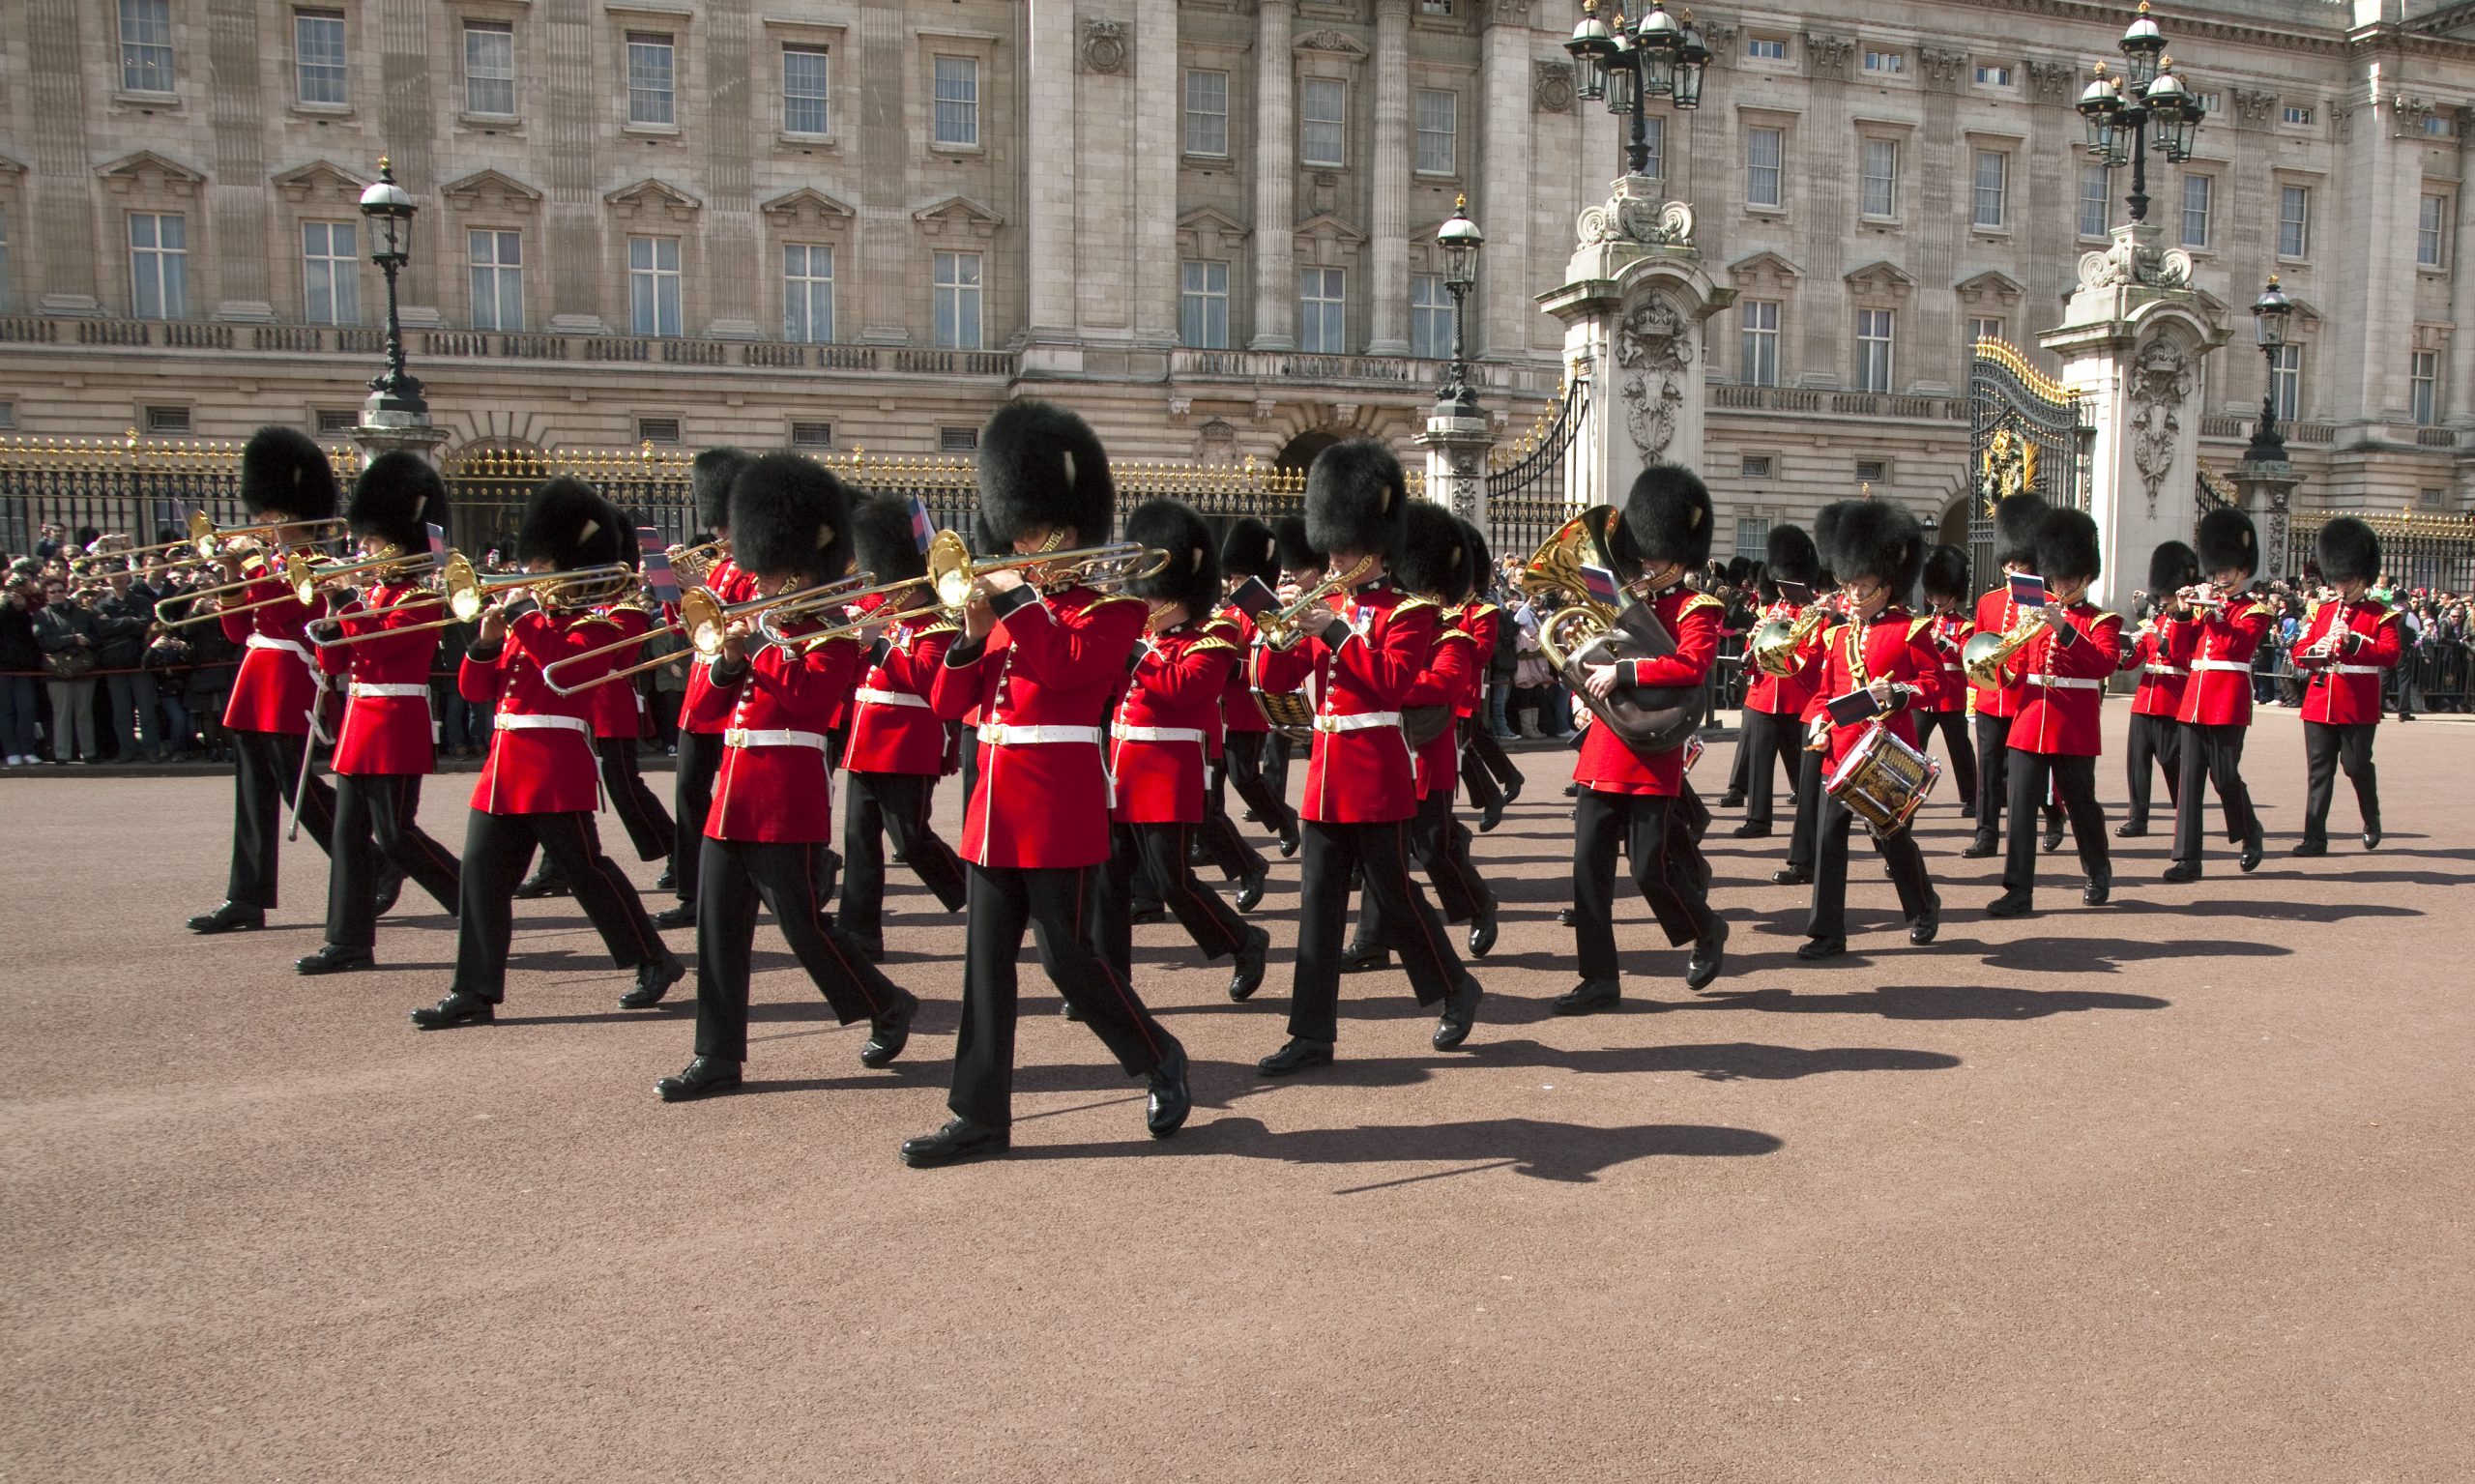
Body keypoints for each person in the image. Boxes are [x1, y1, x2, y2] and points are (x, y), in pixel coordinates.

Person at [902, 401, 1191, 1167]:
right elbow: (947, 703)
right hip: (991, 809)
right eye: (1017, 533)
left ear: (1064, 534)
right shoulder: (1004, 613)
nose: (1018, 546)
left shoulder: (1115, 608)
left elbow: (1066, 667)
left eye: (1029, 535)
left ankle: (1158, 1055)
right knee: (986, 966)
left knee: (1067, 957)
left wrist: (1012, 600)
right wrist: (968, 636)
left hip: (1055, 804)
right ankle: (978, 1115)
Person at [656, 453, 922, 1100]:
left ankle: (886, 1003)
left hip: (787, 797)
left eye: (769, 568)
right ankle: (716, 1056)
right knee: (718, 931)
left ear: (800, 570)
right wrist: (726, 659)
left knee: (805, 929)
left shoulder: (833, 632)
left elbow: (807, 701)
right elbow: (709, 709)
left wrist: (763, 642)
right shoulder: (754, 625)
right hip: (734, 797)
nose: (758, 577)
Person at [409, 479, 685, 1029]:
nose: (530, 576)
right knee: (482, 881)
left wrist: (522, 620)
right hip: (504, 765)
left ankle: (654, 958)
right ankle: (475, 989)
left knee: (586, 871)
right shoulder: (529, 619)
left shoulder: (613, 619)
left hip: (555, 761)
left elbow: (569, 675)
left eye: (540, 566)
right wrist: (486, 643)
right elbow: (474, 692)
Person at [1255, 439, 1485, 1078]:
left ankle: (1454, 985)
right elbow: (1277, 675)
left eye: (1345, 547)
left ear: (1377, 548)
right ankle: (1311, 1033)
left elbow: (1389, 682)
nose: (1333, 557)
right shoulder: (1331, 610)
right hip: (1325, 779)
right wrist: (1274, 625)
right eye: (1330, 545)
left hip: (1376, 774)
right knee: (1317, 909)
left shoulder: (1409, 613)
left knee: (1395, 897)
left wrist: (1331, 628)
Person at [1087, 497, 1273, 1002]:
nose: (1146, 603)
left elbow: (1181, 690)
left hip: (1170, 773)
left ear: (1180, 590)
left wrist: (1135, 650)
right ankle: (1110, 980)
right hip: (1122, 773)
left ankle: (1244, 940)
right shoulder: (1146, 635)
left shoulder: (1213, 637)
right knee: (1110, 879)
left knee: (1173, 882)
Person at [1558, 466, 1730, 1013]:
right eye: (1645, 555)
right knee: (1589, 869)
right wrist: (1580, 690)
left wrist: (1626, 675)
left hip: (1652, 749)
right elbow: (1591, 658)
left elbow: (1691, 665)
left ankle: (1705, 929)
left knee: (1648, 867)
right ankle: (1598, 978)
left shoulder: (1698, 609)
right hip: (1604, 745)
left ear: (1681, 558)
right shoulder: (1619, 602)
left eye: (1655, 558)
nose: (1646, 565)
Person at [295, 451, 464, 975]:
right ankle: (348, 941)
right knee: (349, 834)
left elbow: (384, 646)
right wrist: (325, 627)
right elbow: (344, 659)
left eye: (368, 541)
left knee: (396, 834)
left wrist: (344, 605)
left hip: (395, 720)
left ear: (395, 541)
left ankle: (473, 901)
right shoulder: (374, 593)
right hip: (358, 720)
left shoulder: (420, 599)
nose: (360, 550)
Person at [186, 426, 339, 934]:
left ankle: (372, 856)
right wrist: (231, 576)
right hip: (255, 682)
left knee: (301, 789)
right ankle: (246, 896)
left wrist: (253, 565)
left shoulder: (316, 566)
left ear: (292, 518)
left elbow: (285, 620)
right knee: (252, 793)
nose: (260, 525)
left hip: (289, 680)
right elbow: (237, 629)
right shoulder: (260, 562)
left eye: (269, 517)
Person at [1342, 503, 1500, 971]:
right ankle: (1371, 938)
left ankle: (1478, 903)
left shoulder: (1451, 635)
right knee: (1384, 849)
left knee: (1432, 844)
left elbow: (1445, 684)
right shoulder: (1386, 623)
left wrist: (1386, 684)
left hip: (1428, 753)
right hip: (1383, 753)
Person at [1799, 500, 1940, 960]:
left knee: (1890, 835)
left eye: (1863, 585)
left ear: (1886, 585)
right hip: (1840, 749)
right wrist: (1819, 717)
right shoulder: (1838, 635)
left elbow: (1934, 684)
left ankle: (1922, 905)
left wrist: (1898, 693)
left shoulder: (1909, 630)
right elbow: (1825, 689)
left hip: (1885, 749)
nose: (1854, 593)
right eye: (1851, 584)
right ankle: (1827, 932)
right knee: (1828, 839)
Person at [834, 494, 970, 958]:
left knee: (910, 839)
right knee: (859, 840)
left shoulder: (934, 627)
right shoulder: (885, 617)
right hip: (865, 742)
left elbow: (927, 683)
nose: (884, 593)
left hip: (906, 745)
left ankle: (969, 891)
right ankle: (859, 931)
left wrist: (880, 647)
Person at [1987, 508, 2120, 917]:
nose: (2061, 585)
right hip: (2029, 720)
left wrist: (2064, 627)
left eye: (2069, 578)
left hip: (2073, 725)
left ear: (2085, 577)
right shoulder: (2036, 618)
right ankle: (2018, 890)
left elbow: (2102, 664)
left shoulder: (2102, 620)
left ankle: (2097, 872)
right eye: (2057, 576)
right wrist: (2001, 666)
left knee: (2081, 804)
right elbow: (2019, 670)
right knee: (2022, 808)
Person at [655, 448, 755, 930]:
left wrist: (701, 588)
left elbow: (749, 626)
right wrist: (675, 589)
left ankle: (809, 866)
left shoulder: (753, 568)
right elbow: (693, 632)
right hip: (703, 691)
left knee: (736, 795)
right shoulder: (720, 565)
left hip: (733, 692)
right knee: (690, 793)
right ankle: (692, 889)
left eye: (724, 522)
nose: (718, 531)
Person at [2164, 506, 2271, 882]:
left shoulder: (2255, 610)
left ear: (2243, 570)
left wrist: (2213, 611)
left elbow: (2233, 647)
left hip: (2227, 701)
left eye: (2227, 569)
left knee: (2225, 777)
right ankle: (2187, 858)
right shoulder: (2200, 607)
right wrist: (2180, 614)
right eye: (2218, 569)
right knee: (2190, 779)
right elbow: (2178, 654)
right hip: (2194, 700)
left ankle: (2250, 829)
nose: (2221, 575)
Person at [2290, 517, 2402, 855]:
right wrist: (2316, 650)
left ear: (2363, 578)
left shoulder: (2381, 615)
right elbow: (2298, 652)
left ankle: (2372, 818)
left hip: (2356, 703)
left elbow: (2391, 654)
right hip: (2319, 700)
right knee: (2319, 772)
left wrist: (2354, 642)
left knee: (2355, 766)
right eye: (2338, 577)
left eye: (2348, 578)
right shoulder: (2322, 612)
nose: (2341, 585)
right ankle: (2314, 838)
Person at [1962, 492, 2053, 861]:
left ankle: (2051, 815)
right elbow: (1977, 646)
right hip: (1990, 697)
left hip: (2023, 698)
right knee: (1988, 770)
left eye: (2021, 562)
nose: (2014, 568)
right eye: (2009, 562)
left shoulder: (2044, 601)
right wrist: (1976, 689)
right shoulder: (1989, 601)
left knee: (2022, 773)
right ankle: (1986, 833)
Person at [1732, 526, 1825, 887]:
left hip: (1796, 697)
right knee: (1758, 759)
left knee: (1803, 770)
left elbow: (1812, 658)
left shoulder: (1814, 612)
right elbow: (1755, 651)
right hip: (1763, 694)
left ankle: (1810, 816)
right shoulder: (1770, 608)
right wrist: (1754, 644)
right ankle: (1758, 818)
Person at [1211, 516, 1301, 858]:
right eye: (1232, 576)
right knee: (1212, 782)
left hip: (1247, 710)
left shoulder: (1267, 610)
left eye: (1238, 577)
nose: (1232, 583)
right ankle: (1212, 843)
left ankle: (1284, 818)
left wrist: (1227, 666)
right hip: (1219, 710)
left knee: (1243, 777)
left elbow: (1268, 660)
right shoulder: (1229, 612)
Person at [2116, 540, 2198, 838]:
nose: (2162, 601)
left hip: (2172, 699)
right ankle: (2137, 817)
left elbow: (2180, 657)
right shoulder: (2158, 619)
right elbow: (2133, 661)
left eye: (2166, 595)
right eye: (2161, 595)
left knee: (2170, 761)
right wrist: (2124, 650)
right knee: (2137, 761)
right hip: (2145, 698)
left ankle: (2184, 813)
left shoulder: (2189, 621)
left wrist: (2160, 636)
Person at [1452, 521, 1525, 831]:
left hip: (1465, 688)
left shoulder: (1483, 611)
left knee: (1462, 745)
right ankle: (1509, 777)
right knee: (1472, 741)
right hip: (1444, 688)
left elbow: (1481, 653)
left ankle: (1491, 794)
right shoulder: (1446, 606)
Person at [1914, 543, 1977, 816]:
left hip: (1951, 696)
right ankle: (1907, 792)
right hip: (1925, 696)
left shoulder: (1966, 626)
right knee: (1912, 747)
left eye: (1943, 595)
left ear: (1955, 595)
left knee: (1960, 749)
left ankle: (1972, 797)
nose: (1938, 600)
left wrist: (1945, 644)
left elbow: (1969, 657)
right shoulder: (1921, 623)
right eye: (1935, 594)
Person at [32, 576, 102, 763]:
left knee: (84, 713)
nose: (57, 595)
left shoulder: (82, 612)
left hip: (83, 668)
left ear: (66, 591)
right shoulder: (41, 615)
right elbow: (45, 642)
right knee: (61, 714)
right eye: (52, 592)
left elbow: (96, 636)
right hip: (57, 672)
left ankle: (89, 752)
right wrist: (73, 639)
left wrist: (85, 640)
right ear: (46, 595)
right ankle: (62, 754)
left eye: (60, 591)